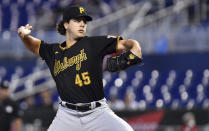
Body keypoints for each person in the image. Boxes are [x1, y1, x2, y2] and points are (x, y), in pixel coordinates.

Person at [18, 5, 142, 131]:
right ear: (66, 25)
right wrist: (24, 36)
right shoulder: (53, 52)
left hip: (97, 113)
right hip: (66, 115)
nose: (82, 24)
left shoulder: (94, 43)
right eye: (77, 21)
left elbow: (127, 43)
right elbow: (35, 46)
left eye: (84, 21)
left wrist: (136, 48)